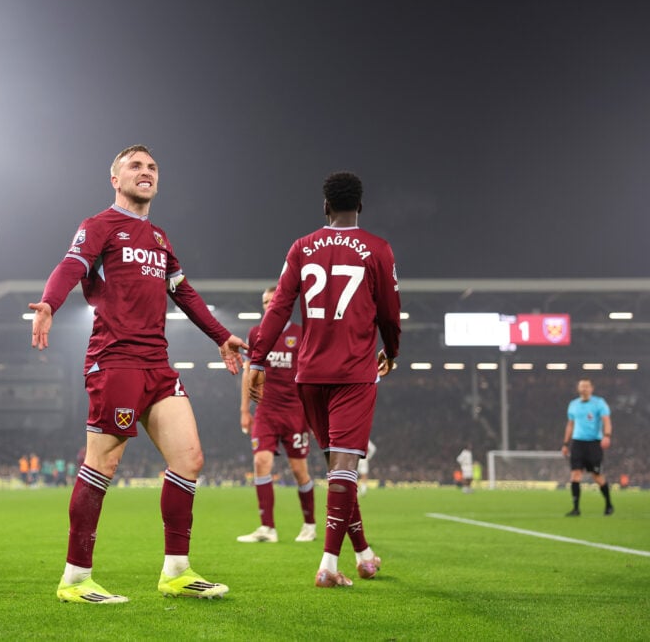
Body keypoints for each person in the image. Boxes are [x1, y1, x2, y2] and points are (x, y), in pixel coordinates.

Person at [29, 144, 247, 604]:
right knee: (102, 465)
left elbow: (183, 293)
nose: (145, 172)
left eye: (151, 167)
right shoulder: (98, 226)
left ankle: (176, 572)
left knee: (189, 459)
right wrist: (50, 302)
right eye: (135, 166)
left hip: (158, 364)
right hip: (115, 360)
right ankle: (75, 578)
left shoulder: (161, 239)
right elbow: (71, 266)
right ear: (115, 178)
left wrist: (221, 336)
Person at [247, 171, 400, 589]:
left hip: (309, 373)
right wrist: (393, 350)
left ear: (325, 207)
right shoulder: (377, 249)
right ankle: (329, 566)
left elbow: (278, 308)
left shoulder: (301, 247)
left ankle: (364, 554)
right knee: (345, 467)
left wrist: (257, 359)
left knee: (337, 468)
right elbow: (389, 311)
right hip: (353, 372)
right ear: (361, 207)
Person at [236, 285, 317, 543]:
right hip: (266, 410)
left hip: (295, 411)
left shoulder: (301, 334)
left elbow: (311, 376)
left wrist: (314, 414)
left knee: (298, 471)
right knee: (261, 463)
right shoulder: (255, 333)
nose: (268, 305)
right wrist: (244, 409)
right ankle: (267, 528)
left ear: (285, 304)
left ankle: (310, 524)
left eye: (273, 300)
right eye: (264, 302)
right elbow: (249, 372)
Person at [562, 378, 613, 516]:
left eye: (586, 386)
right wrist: (566, 444)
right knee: (575, 475)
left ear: (591, 388)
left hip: (593, 443)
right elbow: (570, 424)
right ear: (578, 389)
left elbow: (606, 420)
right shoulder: (573, 405)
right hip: (577, 443)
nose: (584, 388)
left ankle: (608, 504)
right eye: (581, 386)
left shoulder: (599, 403)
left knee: (597, 476)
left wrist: (607, 435)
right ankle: (576, 508)